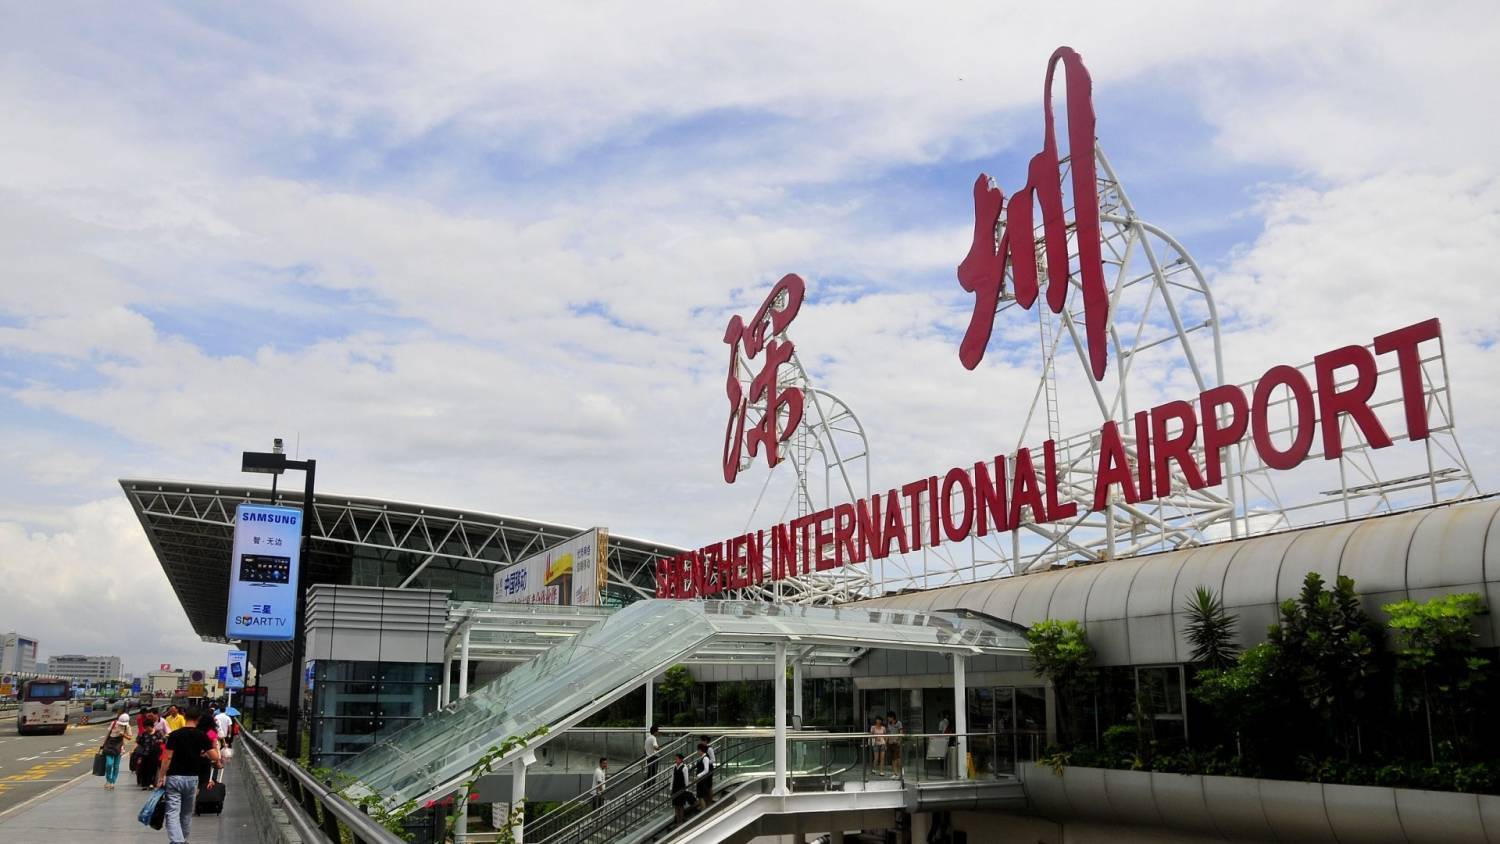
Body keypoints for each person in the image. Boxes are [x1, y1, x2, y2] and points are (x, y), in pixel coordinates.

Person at [157, 707, 220, 844]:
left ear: (184, 716)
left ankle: (178, 841)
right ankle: (182, 840)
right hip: (192, 778)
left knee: (172, 812)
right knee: (186, 813)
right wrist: (206, 749)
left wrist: (161, 777)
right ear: (198, 720)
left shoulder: (174, 735)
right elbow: (214, 757)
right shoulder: (202, 736)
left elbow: (166, 758)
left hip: (174, 777)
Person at [99, 712, 132, 790]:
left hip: (119, 748)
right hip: (109, 746)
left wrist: (123, 734)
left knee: (116, 766)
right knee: (109, 764)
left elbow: (130, 737)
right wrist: (103, 745)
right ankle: (108, 780)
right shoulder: (114, 723)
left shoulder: (127, 726)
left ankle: (113, 782)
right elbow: (108, 734)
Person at [133, 712, 163, 790]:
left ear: (151, 726)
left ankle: (151, 783)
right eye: (145, 727)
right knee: (144, 768)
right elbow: (139, 743)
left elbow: (163, 740)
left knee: (153, 768)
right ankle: (144, 784)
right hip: (145, 754)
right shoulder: (144, 734)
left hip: (155, 754)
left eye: (147, 727)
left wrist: (160, 741)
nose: (146, 729)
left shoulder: (158, 733)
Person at [670, 753, 691, 825]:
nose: (676, 760)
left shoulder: (684, 767)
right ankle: (678, 820)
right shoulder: (674, 767)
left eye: (677, 759)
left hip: (681, 788)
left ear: (681, 759)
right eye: (675, 759)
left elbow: (686, 779)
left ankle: (681, 821)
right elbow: (672, 778)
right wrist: (671, 787)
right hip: (675, 788)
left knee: (681, 805)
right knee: (676, 805)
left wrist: (686, 789)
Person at [694, 742, 714, 808]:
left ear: (700, 750)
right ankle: (703, 809)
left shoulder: (705, 758)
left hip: (702, 780)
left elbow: (706, 770)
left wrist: (699, 775)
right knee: (700, 796)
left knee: (701, 796)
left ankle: (703, 810)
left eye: (698, 750)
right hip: (700, 779)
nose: (697, 752)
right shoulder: (702, 758)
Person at [886, 710, 904, 776]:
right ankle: (894, 772)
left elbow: (901, 732)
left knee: (898, 758)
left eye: (889, 717)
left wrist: (899, 740)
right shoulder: (889, 724)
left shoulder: (898, 723)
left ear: (892, 717)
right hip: (891, 743)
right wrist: (886, 742)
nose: (888, 718)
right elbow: (888, 733)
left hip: (897, 742)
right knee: (893, 758)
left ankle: (900, 771)